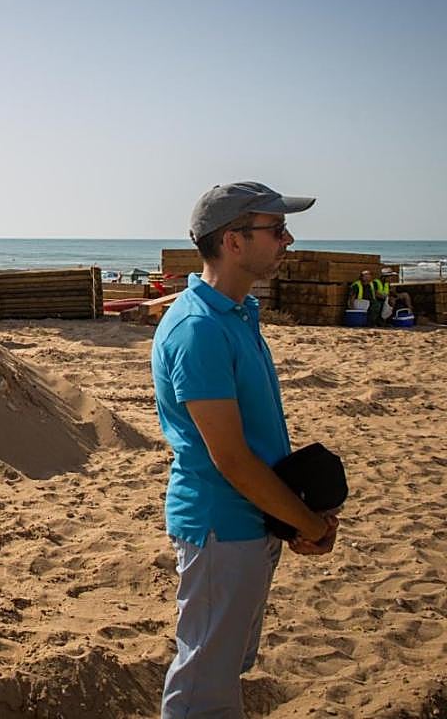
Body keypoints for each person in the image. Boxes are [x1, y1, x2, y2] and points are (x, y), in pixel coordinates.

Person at [152, 181, 339, 719]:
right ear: (234, 241)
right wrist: (305, 521)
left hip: (250, 523)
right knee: (202, 689)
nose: (288, 239)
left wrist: (294, 517)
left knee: (221, 668)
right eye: (275, 229)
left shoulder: (234, 315)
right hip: (221, 527)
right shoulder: (200, 329)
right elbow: (230, 459)